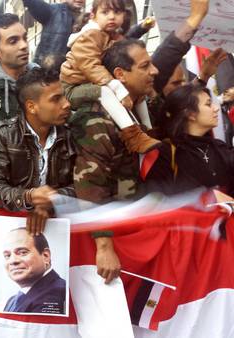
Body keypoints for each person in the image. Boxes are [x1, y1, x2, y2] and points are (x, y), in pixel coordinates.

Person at [70, 0, 211, 283]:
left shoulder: (143, 102)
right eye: (145, 67)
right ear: (121, 75)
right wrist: (104, 246)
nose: (155, 72)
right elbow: (90, 182)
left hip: (144, 224)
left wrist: (195, 19)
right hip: (116, 237)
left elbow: (167, 56)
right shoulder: (97, 118)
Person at [61, 0, 159, 154]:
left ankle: (149, 132)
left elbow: (126, 45)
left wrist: (142, 27)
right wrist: (116, 87)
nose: (112, 17)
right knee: (104, 92)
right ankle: (133, 136)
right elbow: (90, 65)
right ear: (93, 16)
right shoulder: (90, 35)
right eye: (105, 12)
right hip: (73, 88)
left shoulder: (109, 34)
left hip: (92, 81)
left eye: (117, 12)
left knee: (139, 94)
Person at [0, 68, 75, 235]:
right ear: (31, 106)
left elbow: (84, 185)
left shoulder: (72, 132)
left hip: (62, 230)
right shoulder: (4, 135)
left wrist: (51, 202)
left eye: (63, 95)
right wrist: (28, 197)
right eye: (56, 99)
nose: (66, 103)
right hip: (14, 230)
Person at [144, 84, 234, 196]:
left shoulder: (220, 147)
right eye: (208, 104)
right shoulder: (166, 154)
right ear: (190, 114)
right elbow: (156, 201)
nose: (216, 108)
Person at [2, 228, 66, 314]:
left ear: (45, 256)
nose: (13, 261)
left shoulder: (55, 294)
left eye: (22, 252)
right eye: (7, 255)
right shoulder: (12, 300)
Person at [23, 0, 85, 66]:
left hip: (70, 71)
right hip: (46, 70)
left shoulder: (87, 19)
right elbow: (32, 3)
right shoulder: (53, 11)